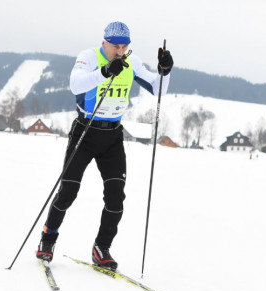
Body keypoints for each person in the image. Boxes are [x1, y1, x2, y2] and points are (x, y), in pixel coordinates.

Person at [35, 21, 174, 270]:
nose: (120, 51)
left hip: (112, 137)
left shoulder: (132, 61)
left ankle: (102, 248)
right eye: (115, 47)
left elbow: (158, 89)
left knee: (115, 198)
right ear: (104, 43)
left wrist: (165, 71)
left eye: (124, 46)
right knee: (68, 191)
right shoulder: (89, 57)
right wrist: (105, 71)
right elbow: (75, 85)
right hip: (85, 132)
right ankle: (48, 238)